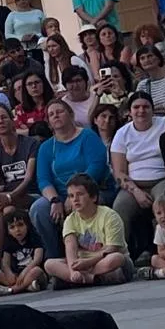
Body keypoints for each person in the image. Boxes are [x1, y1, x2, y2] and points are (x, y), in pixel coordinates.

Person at [33, 99, 115, 258]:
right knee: (38, 209)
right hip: (60, 194)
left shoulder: (88, 136)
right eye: (51, 114)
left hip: (92, 190)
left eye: (60, 111)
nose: (55, 115)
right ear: (49, 122)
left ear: (71, 114)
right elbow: (43, 179)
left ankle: (96, 255)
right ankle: (55, 257)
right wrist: (55, 200)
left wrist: (74, 195)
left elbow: (96, 167)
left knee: (83, 202)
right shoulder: (46, 147)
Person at [44, 174, 130, 287]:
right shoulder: (70, 220)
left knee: (116, 258)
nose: (75, 199)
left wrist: (88, 263)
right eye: (71, 196)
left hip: (104, 260)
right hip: (81, 263)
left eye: (80, 194)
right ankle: (92, 279)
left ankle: (74, 280)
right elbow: (70, 247)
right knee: (49, 264)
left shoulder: (109, 216)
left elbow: (112, 249)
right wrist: (73, 270)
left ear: (93, 197)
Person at [110, 92, 165, 256]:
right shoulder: (122, 133)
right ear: (129, 111)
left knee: (164, 205)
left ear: (152, 109)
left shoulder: (164, 124)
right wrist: (135, 191)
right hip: (133, 184)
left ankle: (163, 253)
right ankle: (121, 256)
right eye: (136, 107)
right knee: (120, 207)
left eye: (145, 107)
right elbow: (119, 172)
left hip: (161, 179)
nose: (141, 111)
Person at [0, 208, 47, 296]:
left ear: (27, 225)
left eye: (20, 225)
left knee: (36, 271)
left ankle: (13, 290)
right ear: (8, 231)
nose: (17, 229)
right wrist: (9, 273)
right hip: (16, 276)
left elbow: (37, 260)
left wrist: (24, 272)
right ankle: (27, 287)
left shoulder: (35, 239)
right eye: (12, 227)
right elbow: (5, 263)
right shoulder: (9, 243)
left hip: (32, 272)